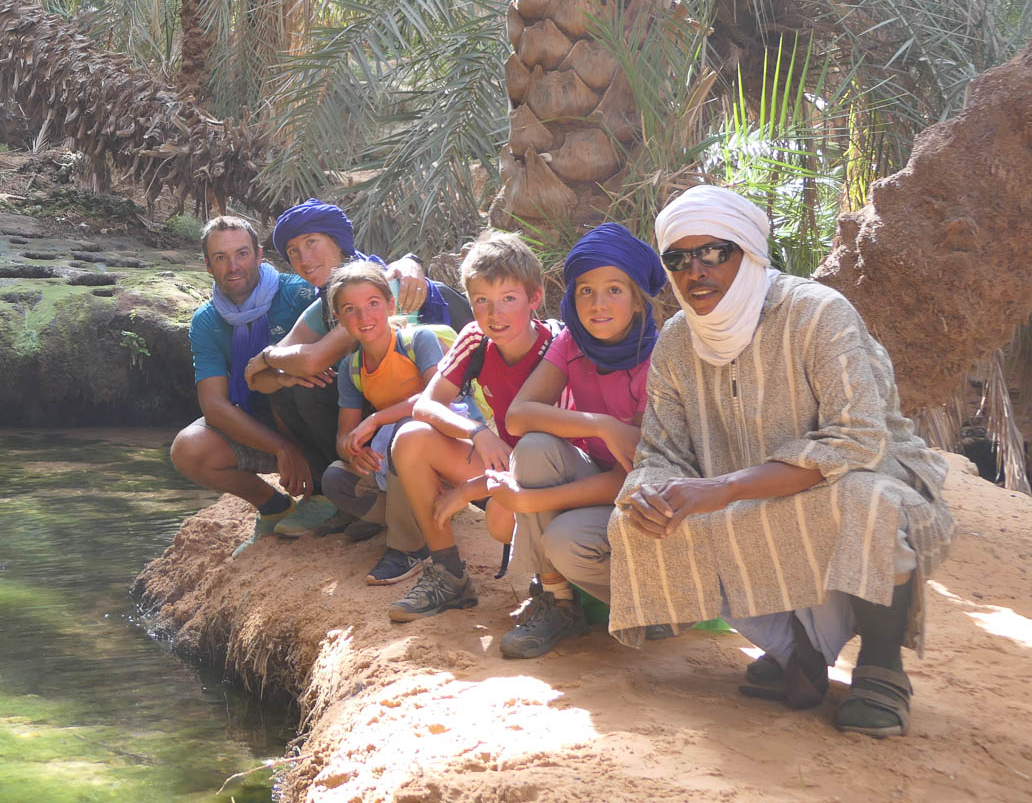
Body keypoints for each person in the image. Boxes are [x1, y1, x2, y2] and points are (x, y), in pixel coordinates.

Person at [607, 186, 956, 738]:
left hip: (855, 483)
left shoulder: (817, 313)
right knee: (637, 520)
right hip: (746, 497)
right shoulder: (676, 341)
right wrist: (649, 491)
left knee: (868, 505)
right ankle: (796, 647)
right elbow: (660, 453)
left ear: (748, 253)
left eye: (713, 252)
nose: (695, 271)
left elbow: (858, 440)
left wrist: (725, 487)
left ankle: (882, 669)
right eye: (678, 259)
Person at [487, 222, 668, 659]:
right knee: (534, 447)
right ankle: (557, 601)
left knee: (565, 539)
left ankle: (658, 604)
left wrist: (531, 501)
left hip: (646, 499)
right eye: (586, 290)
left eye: (614, 290)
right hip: (598, 483)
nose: (598, 304)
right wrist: (603, 425)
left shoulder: (658, 360)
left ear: (638, 300)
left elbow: (633, 476)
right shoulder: (572, 342)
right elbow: (518, 416)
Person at [381, 230, 558, 620]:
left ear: (534, 298)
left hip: (551, 471)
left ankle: (556, 587)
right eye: (481, 301)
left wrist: (468, 491)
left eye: (508, 299)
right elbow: (426, 404)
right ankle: (448, 575)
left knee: (500, 516)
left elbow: (558, 453)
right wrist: (477, 433)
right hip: (505, 461)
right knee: (411, 438)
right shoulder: (476, 339)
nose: (495, 314)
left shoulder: (557, 347)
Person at [240, 199, 442, 540]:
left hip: (419, 411)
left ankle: (370, 502)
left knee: (309, 382)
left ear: (338, 242)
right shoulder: (327, 302)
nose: (304, 259)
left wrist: (269, 357)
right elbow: (258, 382)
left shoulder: (369, 288)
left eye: (311, 243)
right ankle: (333, 493)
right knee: (290, 386)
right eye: (293, 251)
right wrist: (279, 371)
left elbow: (312, 359)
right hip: (377, 412)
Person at [167, 214, 322, 547]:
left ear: (259, 255)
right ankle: (274, 507)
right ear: (208, 265)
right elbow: (214, 406)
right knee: (189, 449)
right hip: (262, 424)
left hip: (317, 417)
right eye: (221, 257)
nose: (233, 266)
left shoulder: (298, 294)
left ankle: (327, 492)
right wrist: (281, 448)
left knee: (299, 380)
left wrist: (409, 266)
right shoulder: (207, 321)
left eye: (242, 254)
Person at [313, 261, 446, 561]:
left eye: (373, 303)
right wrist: (354, 452)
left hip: (440, 456)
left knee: (404, 432)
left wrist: (375, 419)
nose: (364, 317)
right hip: (397, 465)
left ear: (390, 305)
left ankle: (408, 547)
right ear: (339, 319)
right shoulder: (352, 368)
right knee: (335, 478)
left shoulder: (418, 341)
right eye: (350, 309)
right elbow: (344, 437)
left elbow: (435, 400)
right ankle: (410, 518)